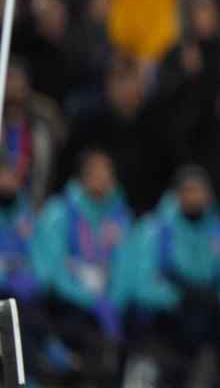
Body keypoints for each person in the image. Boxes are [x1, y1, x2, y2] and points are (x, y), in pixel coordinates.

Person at [125, 166, 220, 388]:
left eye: (199, 191)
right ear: (177, 195)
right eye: (188, 191)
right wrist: (177, 297)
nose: (194, 197)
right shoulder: (155, 230)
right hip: (165, 314)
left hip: (206, 311)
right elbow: (141, 283)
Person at [34, 147, 133, 383]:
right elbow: (52, 267)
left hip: (108, 306)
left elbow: (127, 265)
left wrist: (112, 300)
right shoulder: (59, 212)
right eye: (94, 172)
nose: (100, 178)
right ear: (82, 176)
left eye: (105, 172)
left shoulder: (121, 216)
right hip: (68, 304)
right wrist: (88, 300)